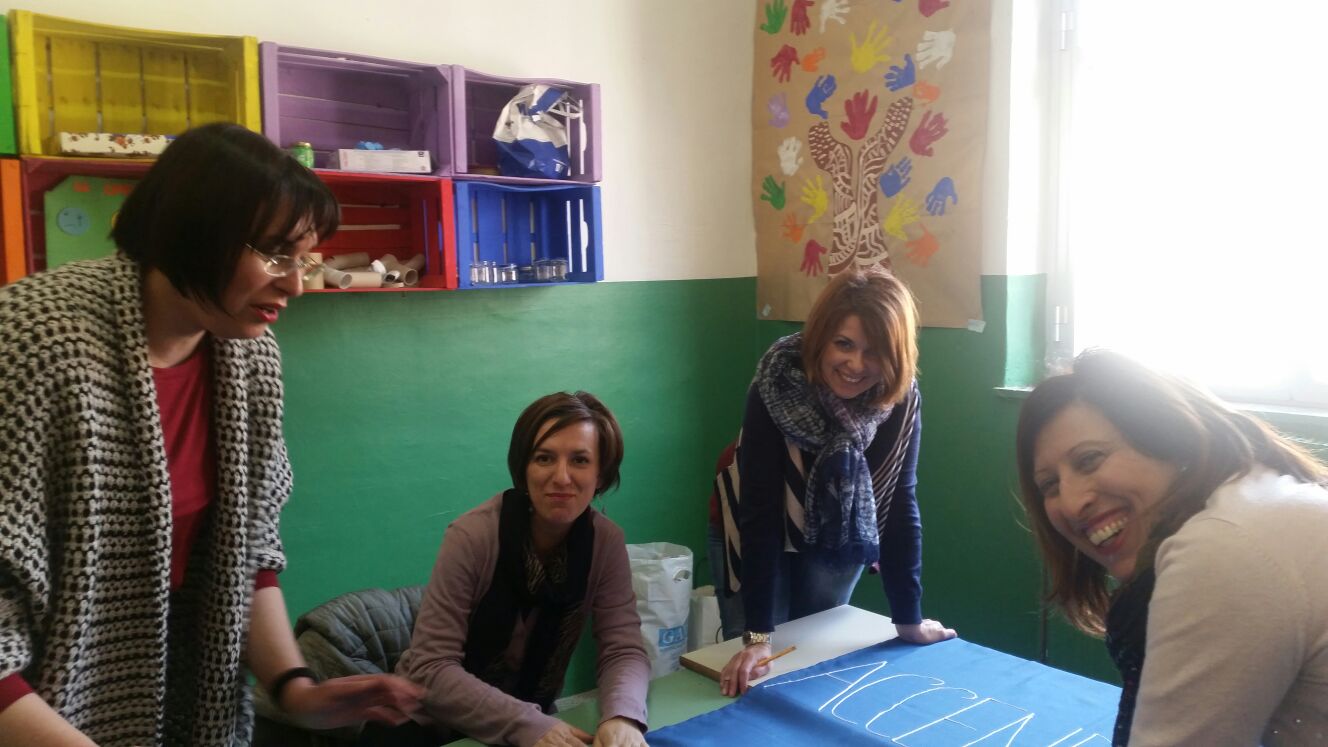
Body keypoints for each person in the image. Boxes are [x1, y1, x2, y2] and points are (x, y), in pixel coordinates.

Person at [0, 122, 422, 746]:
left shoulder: (249, 358)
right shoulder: (31, 341)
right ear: (197, 231)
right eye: (275, 253)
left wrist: (296, 691)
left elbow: (248, 549)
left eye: (303, 259)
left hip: (184, 705)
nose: (295, 283)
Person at [1015, 349, 1328, 746]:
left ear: (1172, 438)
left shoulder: (1220, 549)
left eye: (1090, 459)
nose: (1073, 502)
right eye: (1050, 485)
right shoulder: (1258, 491)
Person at [718, 268, 955, 697]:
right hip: (757, 529)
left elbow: (899, 502)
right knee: (759, 672)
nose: (856, 365)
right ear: (820, 337)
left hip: (838, 538)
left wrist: (908, 619)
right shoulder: (778, 380)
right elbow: (759, 510)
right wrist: (756, 637)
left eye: (874, 351)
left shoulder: (900, 397)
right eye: (843, 344)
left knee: (811, 664)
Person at [385, 392, 650, 747]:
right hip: (426, 724)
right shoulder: (472, 536)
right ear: (524, 467)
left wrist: (623, 716)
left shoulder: (606, 543)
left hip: (531, 720)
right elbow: (430, 668)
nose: (561, 477)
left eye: (580, 460)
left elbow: (623, 649)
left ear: (600, 474)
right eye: (544, 458)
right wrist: (529, 724)